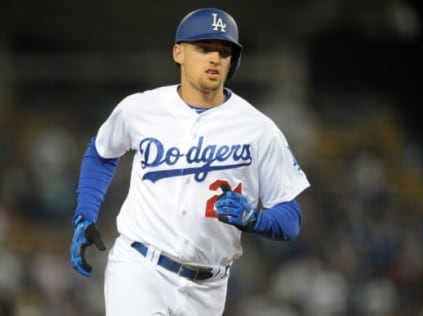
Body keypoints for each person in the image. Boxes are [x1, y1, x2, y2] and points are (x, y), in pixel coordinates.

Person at [69, 7, 310, 316]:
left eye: (224, 52)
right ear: (178, 52)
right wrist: (84, 215)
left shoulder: (258, 129)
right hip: (141, 268)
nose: (215, 58)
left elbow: (291, 218)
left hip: (208, 287)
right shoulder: (141, 108)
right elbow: (102, 153)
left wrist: (255, 219)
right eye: (204, 48)